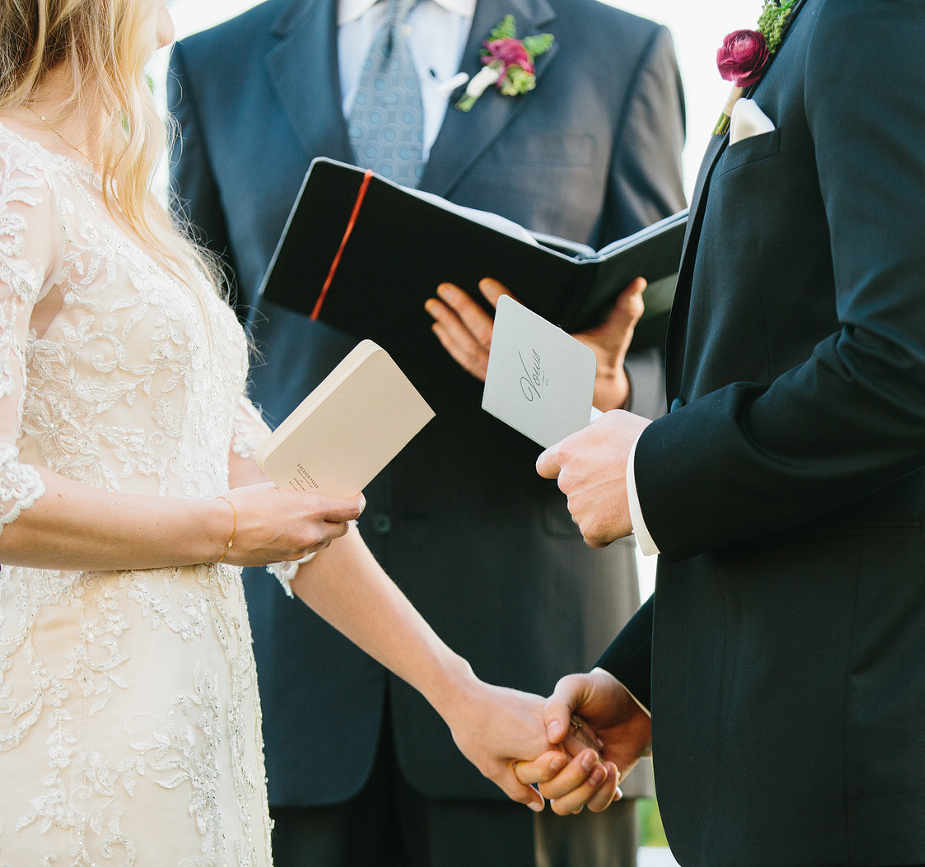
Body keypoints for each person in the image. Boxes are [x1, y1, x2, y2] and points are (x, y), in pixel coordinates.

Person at [519, 0, 925, 864]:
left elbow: (915, 366)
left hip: (889, 772)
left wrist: (651, 469)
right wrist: (648, 676)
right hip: (835, 762)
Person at [0, 0, 593, 862]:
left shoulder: (127, 215)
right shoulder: (12, 181)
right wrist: (230, 530)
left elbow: (270, 488)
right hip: (76, 723)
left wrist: (456, 690)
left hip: (196, 721)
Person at [168, 0, 686, 863]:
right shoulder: (211, 64)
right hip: (291, 671)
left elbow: (675, 357)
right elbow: (187, 365)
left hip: (539, 674)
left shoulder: (620, 54)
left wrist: (588, 387)